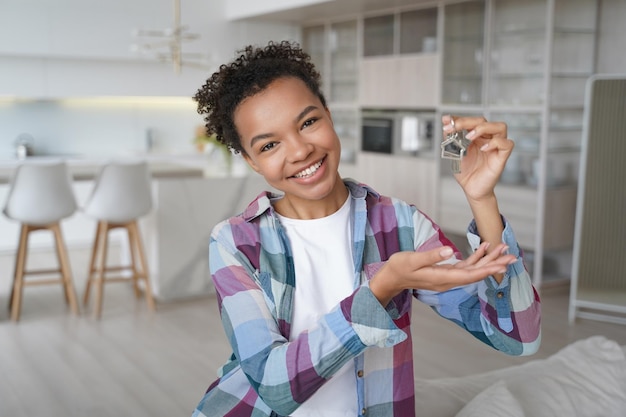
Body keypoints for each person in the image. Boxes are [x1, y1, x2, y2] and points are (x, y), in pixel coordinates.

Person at [191, 40, 541, 417]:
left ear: (329, 114)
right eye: (269, 145)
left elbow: (518, 337)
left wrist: (483, 199)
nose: (299, 151)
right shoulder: (235, 241)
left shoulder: (400, 224)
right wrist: (380, 289)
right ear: (251, 161)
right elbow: (275, 386)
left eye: (308, 122)